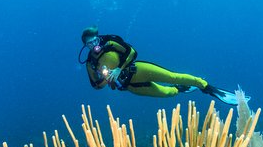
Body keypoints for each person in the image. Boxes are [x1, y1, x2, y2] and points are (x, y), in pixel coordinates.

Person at [78, 26, 238, 105]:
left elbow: (132, 52)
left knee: (171, 76)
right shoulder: (91, 62)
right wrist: (107, 78)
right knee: (166, 93)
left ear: (98, 37)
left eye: (94, 41)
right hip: (130, 87)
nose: (94, 45)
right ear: (85, 46)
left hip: (137, 70)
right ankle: (180, 89)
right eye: (89, 44)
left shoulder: (111, 43)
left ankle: (207, 87)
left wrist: (119, 68)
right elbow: (95, 85)